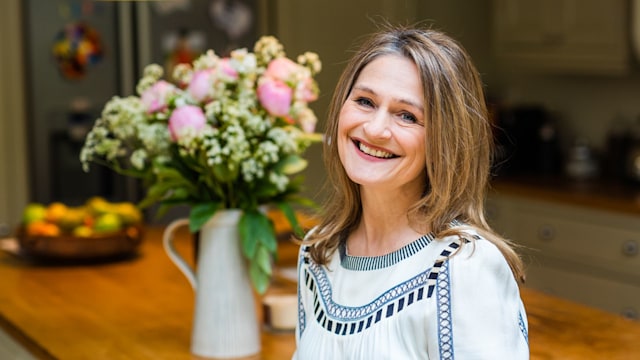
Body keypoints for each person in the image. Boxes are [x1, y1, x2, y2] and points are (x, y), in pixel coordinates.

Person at [293, 24, 529, 359]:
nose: (375, 129)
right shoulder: (319, 252)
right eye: (364, 101)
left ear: (444, 140)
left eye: (407, 115)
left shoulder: (462, 268)